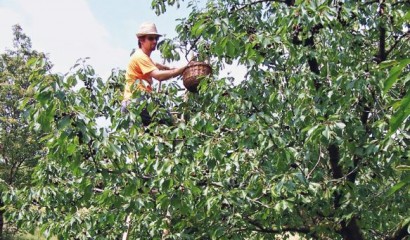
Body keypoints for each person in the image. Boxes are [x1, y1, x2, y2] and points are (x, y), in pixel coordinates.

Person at [121, 22, 186, 126]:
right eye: (151, 38)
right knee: (168, 120)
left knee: (148, 134)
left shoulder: (143, 57)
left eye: (156, 38)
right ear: (141, 40)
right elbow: (158, 76)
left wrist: (168, 68)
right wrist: (180, 70)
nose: (155, 41)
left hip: (131, 105)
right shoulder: (140, 57)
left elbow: (155, 64)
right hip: (137, 101)